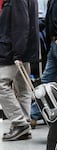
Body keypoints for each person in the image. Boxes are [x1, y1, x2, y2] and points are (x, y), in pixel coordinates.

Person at [0, 0, 39, 141]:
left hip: (12, 51)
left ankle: (19, 123)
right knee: (22, 88)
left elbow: (20, 26)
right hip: (22, 50)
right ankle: (24, 123)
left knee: (1, 85)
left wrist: (18, 53)